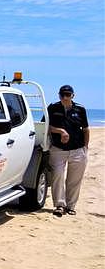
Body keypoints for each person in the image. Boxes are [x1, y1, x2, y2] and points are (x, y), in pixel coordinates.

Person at [47, 85, 89, 217]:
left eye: (68, 95)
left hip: (78, 149)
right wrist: (60, 131)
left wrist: (85, 147)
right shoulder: (53, 108)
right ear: (59, 95)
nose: (65, 97)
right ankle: (59, 205)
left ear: (72, 96)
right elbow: (46, 127)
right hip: (58, 150)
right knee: (57, 176)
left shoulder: (80, 109)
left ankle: (71, 206)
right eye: (63, 95)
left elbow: (86, 129)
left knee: (74, 180)